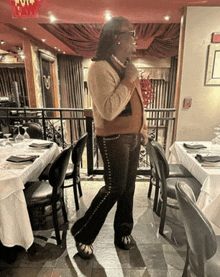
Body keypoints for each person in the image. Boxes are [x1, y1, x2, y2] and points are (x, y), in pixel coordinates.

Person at [71, 16, 148, 259]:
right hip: (113, 138)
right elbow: (108, 110)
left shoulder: (126, 65)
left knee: (128, 189)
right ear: (117, 39)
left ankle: (123, 231)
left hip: (133, 137)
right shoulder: (99, 68)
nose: (135, 37)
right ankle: (83, 232)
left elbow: (138, 102)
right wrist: (128, 79)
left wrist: (143, 128)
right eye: (131, 32)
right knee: (114, 188)